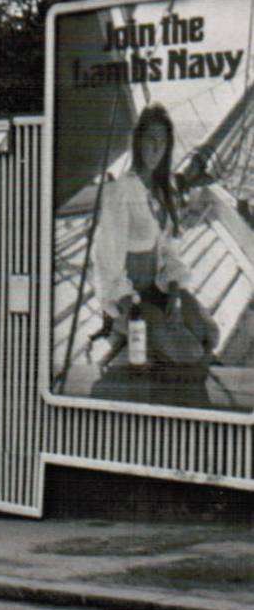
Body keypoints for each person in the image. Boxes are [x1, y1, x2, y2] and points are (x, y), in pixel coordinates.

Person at [90, 104, 219, 400]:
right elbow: (108, 263)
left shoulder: (164, 191)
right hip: (130, 301)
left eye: (162, 141)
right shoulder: (121, 191)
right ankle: (130, 336)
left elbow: (169, 252)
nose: (156, 147)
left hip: (159, 288)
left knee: (209, 334)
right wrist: (130, 308)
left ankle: (155, 347)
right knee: (189, 354)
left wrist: (175, 291)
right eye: (150, 139)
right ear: (137, 142)